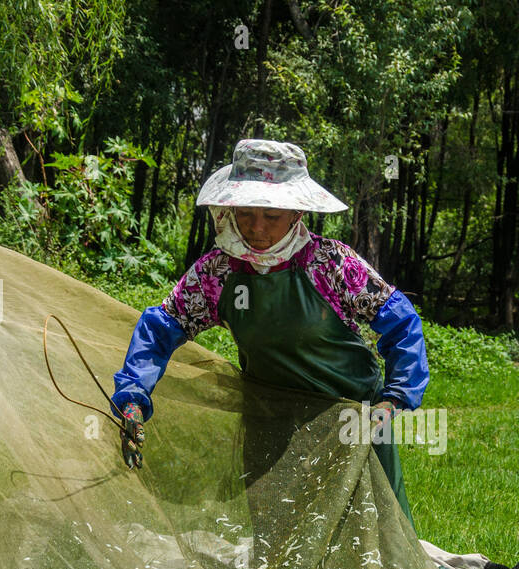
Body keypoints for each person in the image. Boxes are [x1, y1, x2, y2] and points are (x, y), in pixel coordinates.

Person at [111, 138, 429, 531]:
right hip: (270, 423)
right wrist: (134, 397)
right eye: (245, 213)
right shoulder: (219, 272)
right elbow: (161, 329)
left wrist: (394, 398)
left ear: (296, 213)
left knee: (375, 539)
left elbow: (401, 322)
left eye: (271, 216)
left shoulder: (330, 264)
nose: (256, 228)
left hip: (352, 421)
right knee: (279, 540)